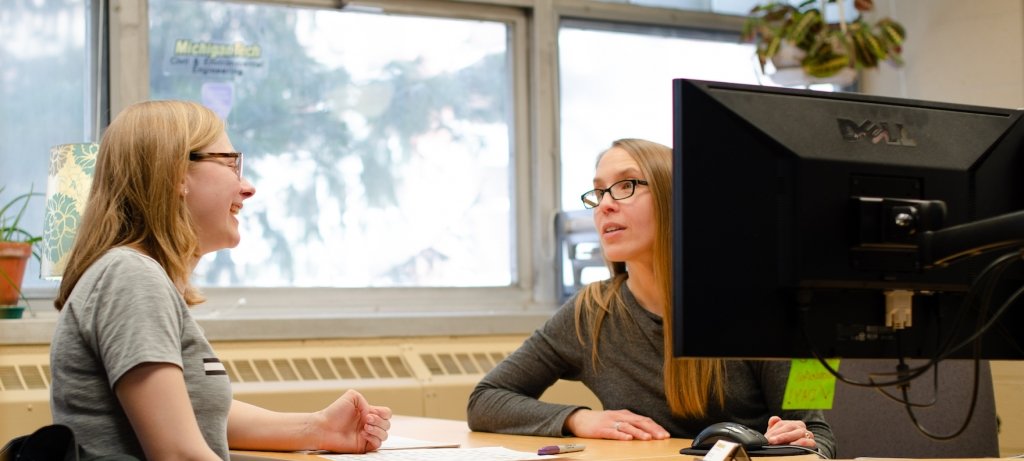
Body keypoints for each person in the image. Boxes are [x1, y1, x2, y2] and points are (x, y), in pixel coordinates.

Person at [49, 100, 392, 460]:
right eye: (231, 163)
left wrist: (318, 428)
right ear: (176, 174)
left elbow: (193, 416)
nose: (247, 187)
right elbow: (179, 453)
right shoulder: (131, 277)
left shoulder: (132, 275)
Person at [467, 138, 836, 458]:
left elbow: (822, 436)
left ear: (675, 199)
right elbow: (484, 401)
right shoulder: (590, 310)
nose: (604, 205)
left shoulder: (771, 303)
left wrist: (798, 442)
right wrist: (580, 419)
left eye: (626, 185)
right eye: (598, 192)